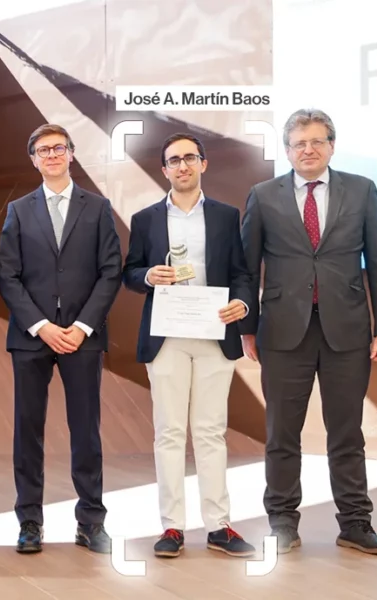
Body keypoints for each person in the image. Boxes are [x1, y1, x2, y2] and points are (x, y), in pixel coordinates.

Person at [240, 108, 377, 555]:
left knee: (348, 433)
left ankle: (356, 523)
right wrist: (247, 328)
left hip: (348, 330)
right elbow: (247, 267)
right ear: (287, 150)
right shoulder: (262, 195)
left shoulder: (362, 191)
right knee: (282, 433)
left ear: (332, 146)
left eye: (317, 141)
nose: (309, 149)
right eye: (300, 143)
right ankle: (282, 521)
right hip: (283, 331)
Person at [123, 133, 256, 559]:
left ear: (203, 164)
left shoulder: (224, 215)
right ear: (164, 170)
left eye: (189, 158)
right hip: (167, 336)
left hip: (215, 331)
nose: (182, 166)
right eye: (173, 160)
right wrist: (148, 277)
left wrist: (241, 301)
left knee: (211, 431)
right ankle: (173, 527)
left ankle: (219, 526)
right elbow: (129, 272)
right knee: (170, 431)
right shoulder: (145, 219)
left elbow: (241, 273)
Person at [0, 123, 122, 554]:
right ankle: (29, 521)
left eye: (59, 148)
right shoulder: (17, 210)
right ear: (33, 159)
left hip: (82, 338)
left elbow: (110, 271)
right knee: (27, 431)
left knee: (85, 430)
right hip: (32, 338)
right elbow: (7, 276)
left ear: (71, 154)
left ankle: (91, 521)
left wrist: (82, 326)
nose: (51, 155)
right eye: (42, 150)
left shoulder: (98, 207)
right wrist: (42, 326)